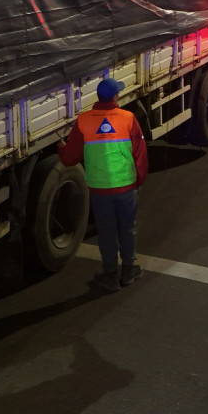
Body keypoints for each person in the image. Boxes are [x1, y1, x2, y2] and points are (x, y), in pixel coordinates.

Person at [58, 77, 149, 292]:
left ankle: (110, 275)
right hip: (126, 186)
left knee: (107, 231)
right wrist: (140, 180)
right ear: (116, 96)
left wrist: (62, 148)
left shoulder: (84, 121)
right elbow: (140, 153)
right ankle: (129, 270)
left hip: (100, 189)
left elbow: (69, 159)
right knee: (127, 228)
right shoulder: (128, 118)